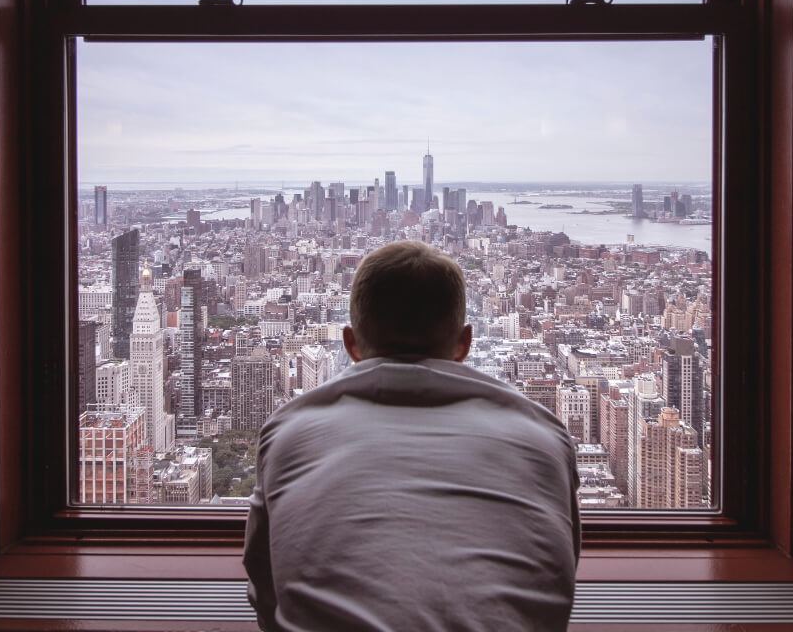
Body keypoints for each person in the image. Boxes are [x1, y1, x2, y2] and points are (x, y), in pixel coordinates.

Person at [243, 240, 580, 631]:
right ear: (464, 344)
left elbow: (265, 591)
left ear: (350, 344)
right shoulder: (543, 438)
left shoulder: (290, 434)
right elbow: (559, 576)